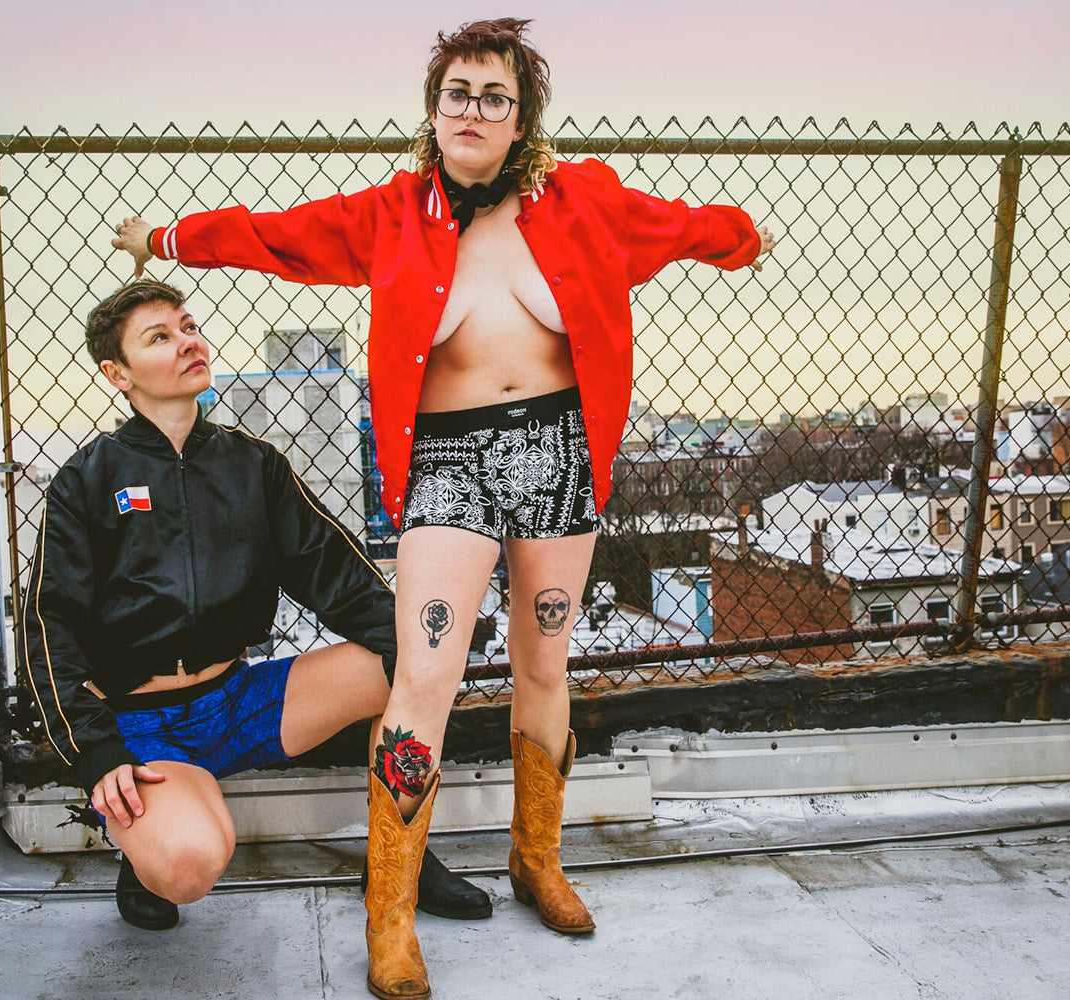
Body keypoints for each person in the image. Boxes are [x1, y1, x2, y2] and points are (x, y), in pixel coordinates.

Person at [112, 19, 775, 997]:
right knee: (425, 673)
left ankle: (537, 859)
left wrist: (742, 237)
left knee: (547, 657)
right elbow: (274, 236)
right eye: (457, 92)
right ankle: (390, 910)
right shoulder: (392, 215)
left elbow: (682, 223)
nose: (473, 109)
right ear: (433, 111)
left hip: (559, 452)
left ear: (521, 120)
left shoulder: (583, 201)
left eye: (493, 97)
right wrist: (166, 239)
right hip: (448, 465)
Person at [20, 278, 489, 932]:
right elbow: (50, 627)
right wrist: (96, 753)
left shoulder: (252, 464)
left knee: (413, 664)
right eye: (160, 337)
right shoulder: (88, 478)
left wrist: (416, 646)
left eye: (188, 326)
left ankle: (397, 856)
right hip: (142, 727)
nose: (187, 341)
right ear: (117, 372)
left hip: (240, 701)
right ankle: (148, 841)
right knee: (188, 866)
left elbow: (330, 570)